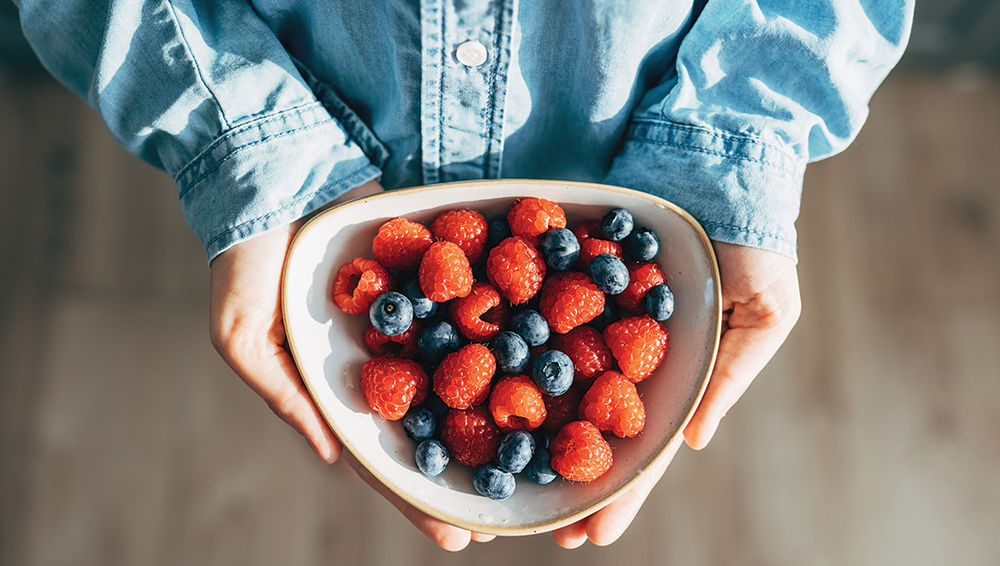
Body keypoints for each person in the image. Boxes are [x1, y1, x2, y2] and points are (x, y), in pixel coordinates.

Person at [15, 0, 912, 551]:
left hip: (624, 135)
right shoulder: (481, 323)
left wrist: (735, 144)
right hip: (296, 119)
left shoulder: (520, 335)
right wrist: (238, 137)